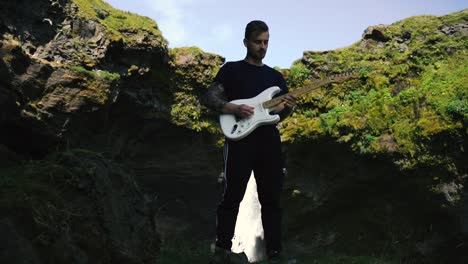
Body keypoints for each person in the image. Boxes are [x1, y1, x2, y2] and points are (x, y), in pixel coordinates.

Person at [202, 20, 296, 263]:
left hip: (269, 143)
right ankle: (223, 249)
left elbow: (278, 116)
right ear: (246, 42)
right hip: (240, 141)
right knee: (232, 195)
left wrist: (288, 109)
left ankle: (275, 253)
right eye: (257, 42)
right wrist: (230, 106)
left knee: (272, 199)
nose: (262, 46)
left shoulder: (275, 77)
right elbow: (209, 97)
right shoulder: (231, 70)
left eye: (266, 42)